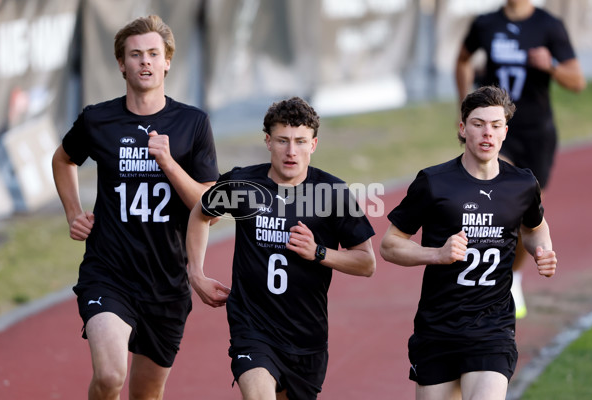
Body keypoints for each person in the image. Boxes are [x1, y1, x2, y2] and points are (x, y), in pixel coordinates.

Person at [51, 15, 219, 399]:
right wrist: (74, 212)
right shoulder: (98, 119)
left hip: (166, 280)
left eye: (153, 54)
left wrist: (169, 163)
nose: (145, 61)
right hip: (109, 272)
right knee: (110, 376)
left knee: (145, 393)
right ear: (121, 64)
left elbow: (209, 206)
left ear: (167, 62)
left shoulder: (192, 123)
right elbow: (63, 160)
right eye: (135, 54)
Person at [185, 96, 376, 399]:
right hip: (253, 328)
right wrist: (196, 273)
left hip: (306, 338)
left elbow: (367, 263)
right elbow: (200, 213)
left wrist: (320, 252)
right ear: (268, 141)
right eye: (282, 140)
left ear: (313, 145)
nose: (291, 151)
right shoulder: (243, 184)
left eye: (300, 141)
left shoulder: (332, 193)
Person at [380, 86, 557, 400]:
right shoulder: (434, 183)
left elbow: (535, 227)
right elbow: (390, 245)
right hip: (438, 328)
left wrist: (541, 250)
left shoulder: (522, 184)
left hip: (492, 327)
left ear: (505, 131)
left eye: (495, 125)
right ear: (462, 129)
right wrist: (436, 253)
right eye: (478, 124)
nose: (487, 133)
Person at [455, 0, 585, 318]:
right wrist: (465, 108)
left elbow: (577, 81)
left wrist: (550, 64)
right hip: (497, 132)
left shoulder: (548, 25)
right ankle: (478, 278)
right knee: (496, 200)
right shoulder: (486, 23)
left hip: (535, 133)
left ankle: (511, 276)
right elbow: (462, 61)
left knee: (524, 212)